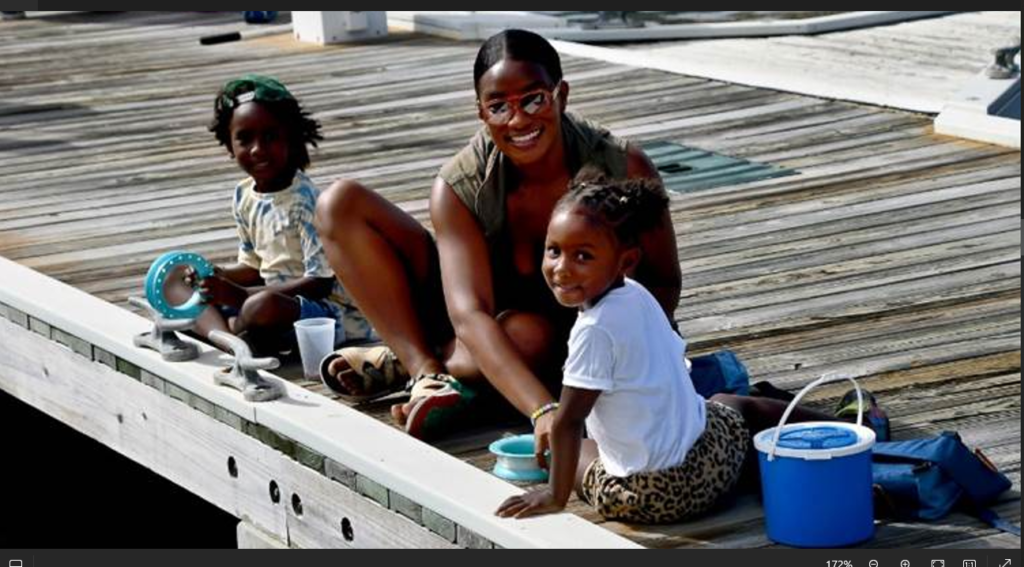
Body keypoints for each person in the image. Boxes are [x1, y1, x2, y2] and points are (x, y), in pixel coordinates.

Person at [314, 29, 681, 440]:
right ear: (481, 112)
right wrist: (542, 411)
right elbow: (469, 314)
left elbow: (663, 282)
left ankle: (439, 368)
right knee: (339, 203)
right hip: (486, 323)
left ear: (561, 95)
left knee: (525, 335)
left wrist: (625, 364)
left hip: (583, 337)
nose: (519, 119)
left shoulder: (621, 164)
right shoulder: (460, 184)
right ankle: (425, 369)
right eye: (499, 106)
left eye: (533, 99)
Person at [495, 177, 847, 523]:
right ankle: (850, 432)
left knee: (574, 450)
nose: (561, 269)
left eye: (582, 256)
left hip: (650, 497)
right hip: (713, 466)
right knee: (730, 403)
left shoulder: (593, 330)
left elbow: (568, 421)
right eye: (554, 250)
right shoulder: (636, 293)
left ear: (624, 260)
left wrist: (555, 496)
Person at [186, 74, 372, 356]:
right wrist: (216, 276)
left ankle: (227, 332)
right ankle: (232, 339)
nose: (258, 149)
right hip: (260, 298)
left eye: (270, 136)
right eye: (244, 139)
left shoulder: (307, 201)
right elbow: (252, 265)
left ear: (292, 139)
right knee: (176, 280)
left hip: (320, 315)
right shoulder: (243, 194)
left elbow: (320, 283)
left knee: (262, 306)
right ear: (228, 145)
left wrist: (236, 295)